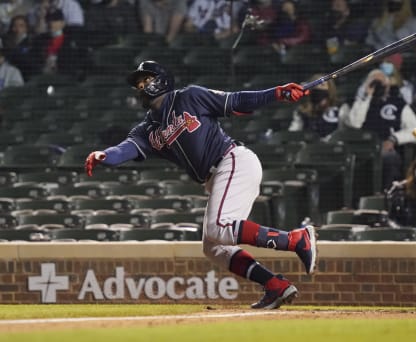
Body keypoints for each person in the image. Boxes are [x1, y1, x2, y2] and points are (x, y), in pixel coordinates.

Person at [83, 60, 317, 310]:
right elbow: (124, 150)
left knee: (219, 227)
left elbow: (235, 101)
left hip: (233, 160)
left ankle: (296, 240)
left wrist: (277, 92)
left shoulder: (189, 97)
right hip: (215, 178)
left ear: (161, 79)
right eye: (138, 84)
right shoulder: (147, 130)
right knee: (213, 247)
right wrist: (104, 155)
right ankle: (274, 286)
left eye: (146, 80)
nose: (141, 86)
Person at [341, 68, 416, 190]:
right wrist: (367, 96)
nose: (378, 86)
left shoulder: (398, 104)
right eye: (374, 83)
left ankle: (387, 195)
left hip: (385, 149)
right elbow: (355, 124)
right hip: (360, 150)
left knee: (389, 159)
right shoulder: (356, 103)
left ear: (388, 85)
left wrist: (394, 139)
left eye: (381, 83)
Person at [288, 73, 348, 137]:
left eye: (322, 85)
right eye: (315, 85)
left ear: (329, 88)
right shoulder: (303, 109)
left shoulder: (340, 107)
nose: (318, 88)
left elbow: (343, 131)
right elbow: (294, 131)